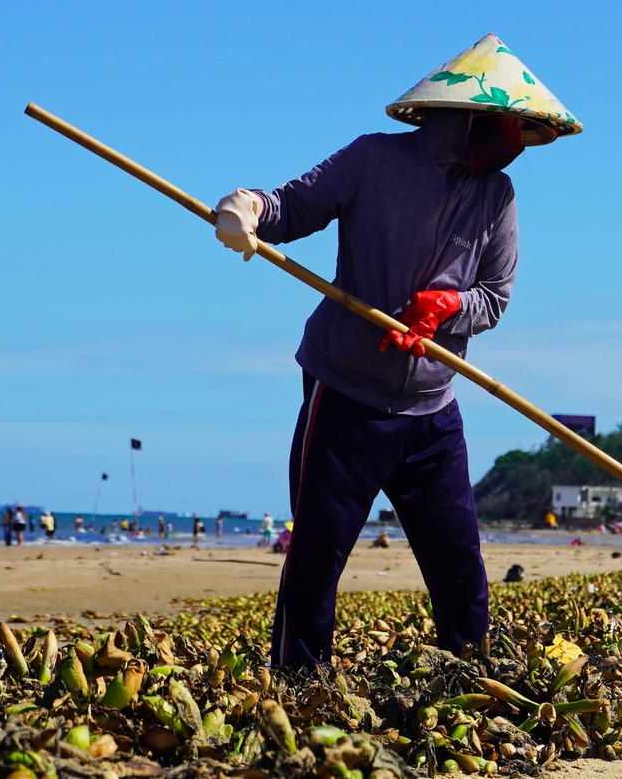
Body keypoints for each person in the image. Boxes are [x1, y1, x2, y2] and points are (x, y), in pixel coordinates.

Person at [210, 34, 578, 668]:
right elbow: (290, 207)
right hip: (346, 393)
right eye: (510, 125)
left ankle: (473, 671)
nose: (517, 142)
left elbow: (494, 296)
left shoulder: (498, 197)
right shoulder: (374, 161)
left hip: (432, 411)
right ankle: (299, 684)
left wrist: (448, 307)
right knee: (318, 552)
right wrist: (240, 210)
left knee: (459, 558)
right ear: (469, 117)